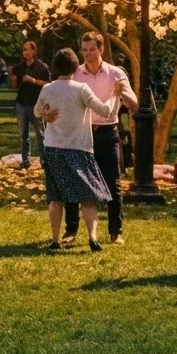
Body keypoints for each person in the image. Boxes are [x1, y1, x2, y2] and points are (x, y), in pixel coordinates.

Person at [55, 32, 138, 244]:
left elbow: (133, 103)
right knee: (75, 180)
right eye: (84, 50)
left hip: (108, 132)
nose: (88, 54)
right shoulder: (76, 73)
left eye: (92, 49)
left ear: (101, 49)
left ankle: (115, 231)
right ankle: (71, 231)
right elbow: (62, 95)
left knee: (112, 182)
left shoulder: (115, 73)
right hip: (81, 132)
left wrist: (120, 92)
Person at [36, 47, 122, 252]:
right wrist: (115, 95)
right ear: (76, 67)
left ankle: (56, 240)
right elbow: (107, 112)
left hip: (54, 148)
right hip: (80, 148)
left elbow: (37, 110)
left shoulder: (48, 88)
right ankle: (92, 237)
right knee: (87, 197)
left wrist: (45, 114)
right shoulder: (81, 89)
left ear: (55, 67)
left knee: (55, 198)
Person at [8, 41, 51, 170]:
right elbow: (15, 86)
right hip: (22, 104)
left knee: (40, 134)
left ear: (34, 51)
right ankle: (25, 160)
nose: (26, 52)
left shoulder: (42, 67)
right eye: (24, 50)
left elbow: (48, 84)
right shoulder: (19, 67)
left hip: (37, 104)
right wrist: (13, 79)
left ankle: (44, 160)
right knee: (23, 135)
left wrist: (33, 81)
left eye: (28, 50)